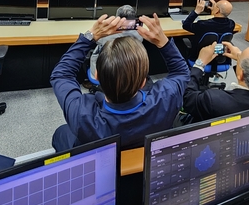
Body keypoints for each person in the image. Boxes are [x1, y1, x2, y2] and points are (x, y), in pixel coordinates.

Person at [50, 14, 189, 151]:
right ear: (143, 82)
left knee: (61, 133)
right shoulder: (166, 100)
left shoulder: (82, 114)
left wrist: (90, 36)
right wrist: (162, 42)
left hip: (101, 163)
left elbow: (61, 74)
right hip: (144, 159)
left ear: (96, 75)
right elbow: (181, 72)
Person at [182, 41, 249, 121]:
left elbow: (187, 97)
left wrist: (200, 64)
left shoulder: (214, 100)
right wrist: (240, 55)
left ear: (241, 74)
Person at [87, 4, 142, 86]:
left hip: (105, 72)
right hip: (128, 72)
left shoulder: (105, 34)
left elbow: (92, 39)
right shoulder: (139, 34)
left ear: (117, 18)